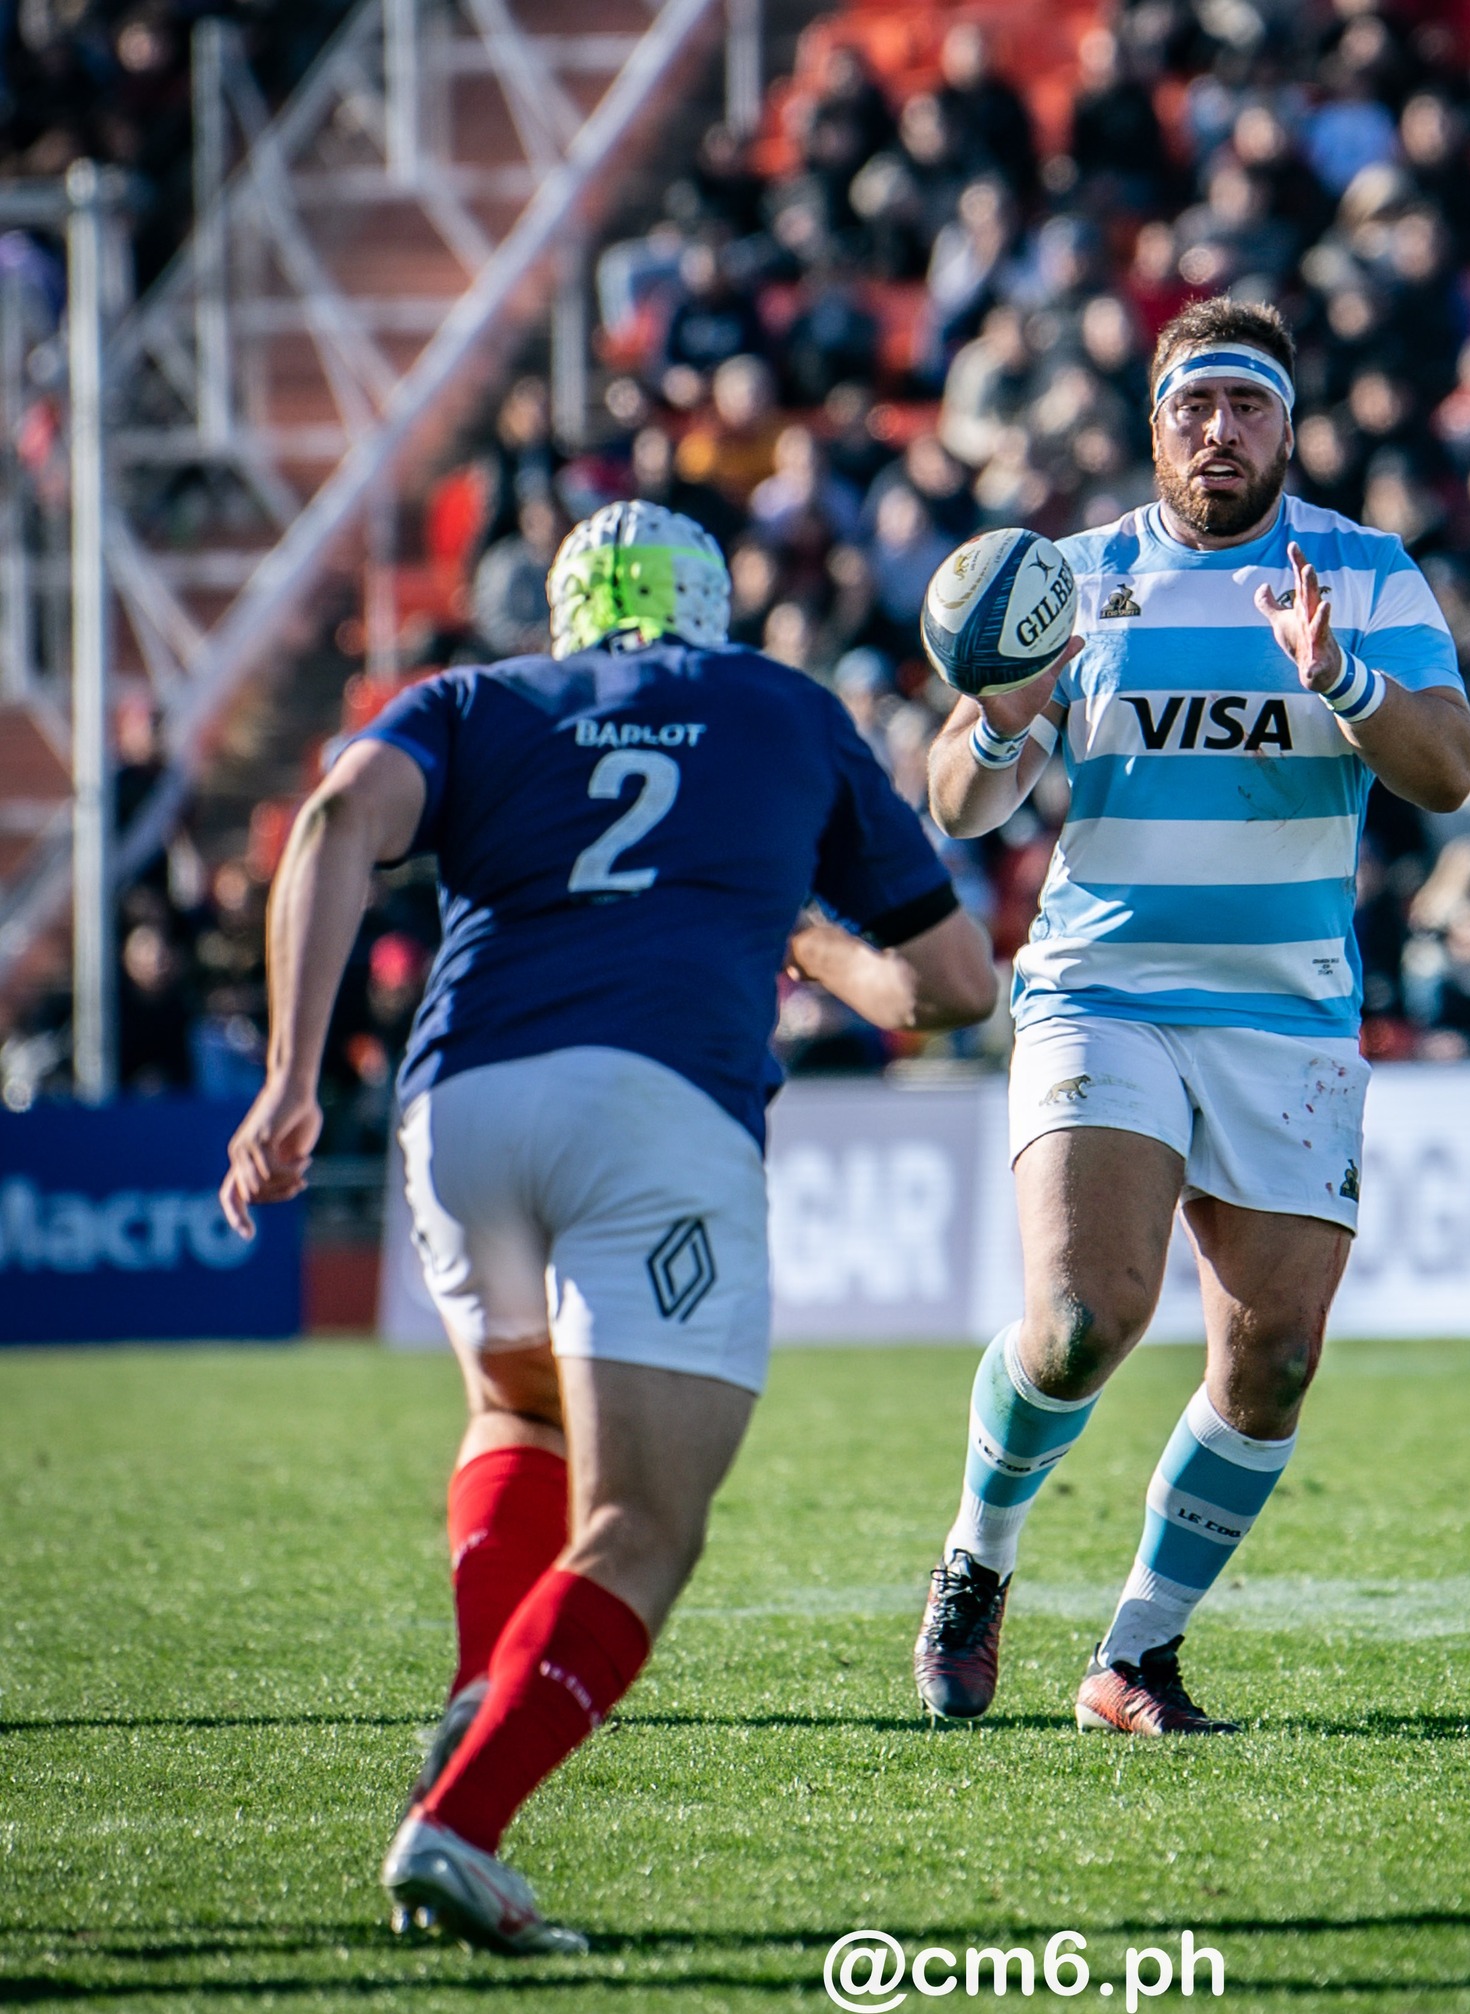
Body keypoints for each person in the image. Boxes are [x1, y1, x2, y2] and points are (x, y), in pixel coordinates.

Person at [218, 502, 995, 1950]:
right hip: (656, 1101)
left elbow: (331, 823)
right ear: (708, 611)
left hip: (461, 1103)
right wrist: (797, 931)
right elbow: (950, 983)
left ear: (565, 615)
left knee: (516, 1408)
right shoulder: (778, 702)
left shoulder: (469, 699)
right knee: (641, 1525)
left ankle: (474, 1691)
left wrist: (288, 1078)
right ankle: (459, 1814)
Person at [911, 299, 1470, 1735]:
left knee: (1273, 1356)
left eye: (1248, 406)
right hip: (1103, 988)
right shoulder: (1079, 579)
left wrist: (1341, 677)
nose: (1218, 431)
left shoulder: (1364, 570)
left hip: (1285, 1014)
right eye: (1193, 407)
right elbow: (958, 803)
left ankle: (1135, 1654)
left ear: (1289, 426)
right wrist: (1002, 712)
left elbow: (1450, 769)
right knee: (1084, 1321)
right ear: (1154, 426)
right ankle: (979, 1553)